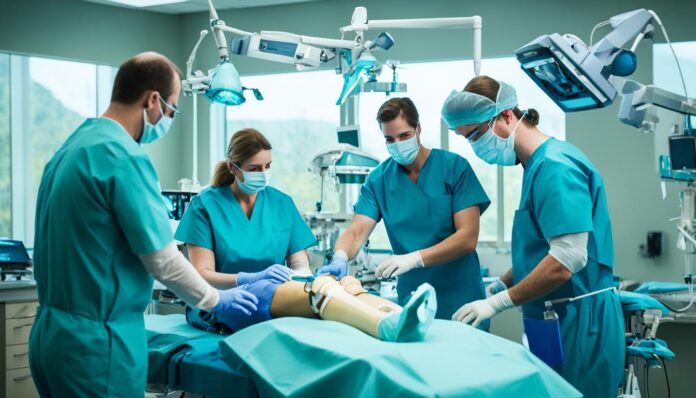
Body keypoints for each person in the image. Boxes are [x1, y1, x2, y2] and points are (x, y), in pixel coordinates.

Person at [29, 52, 258, 398]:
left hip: (50, 336)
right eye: (171, 110)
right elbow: (163, 260)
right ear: (153, 100)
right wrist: (216, 301)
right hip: (98, 346)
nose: (167, 118)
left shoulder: (70, 149)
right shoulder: (123, 157)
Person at [442, 76, 624, 397]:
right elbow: (542, 249)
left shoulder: (557, 166)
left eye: (475, 135)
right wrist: (503, 282)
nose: (474, 147)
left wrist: (498, 302)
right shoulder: (533, 166)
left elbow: (567, 258)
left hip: (580, 321)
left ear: (507, 116)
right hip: (552, 318)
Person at [316, 97, 491, 322]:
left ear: (418, 129)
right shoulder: (378, 179)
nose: (397, 143)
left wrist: (414, 259)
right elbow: (356, 232)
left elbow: (467, 238)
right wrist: (340, 256)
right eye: (390, 139)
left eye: (404, 135)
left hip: (461, 296)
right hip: (414, 297)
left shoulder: (454, 168)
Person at [174, 128, 317, 327]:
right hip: (222, 302)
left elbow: (300, 264)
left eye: (268, 166)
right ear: (233, 168)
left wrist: (300, 279)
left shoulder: (282, 203)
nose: (264, 174)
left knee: (325, 297)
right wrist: (248, 279)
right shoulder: (205, 205)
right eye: (254, 168)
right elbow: (203, 275)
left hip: (275, 297)